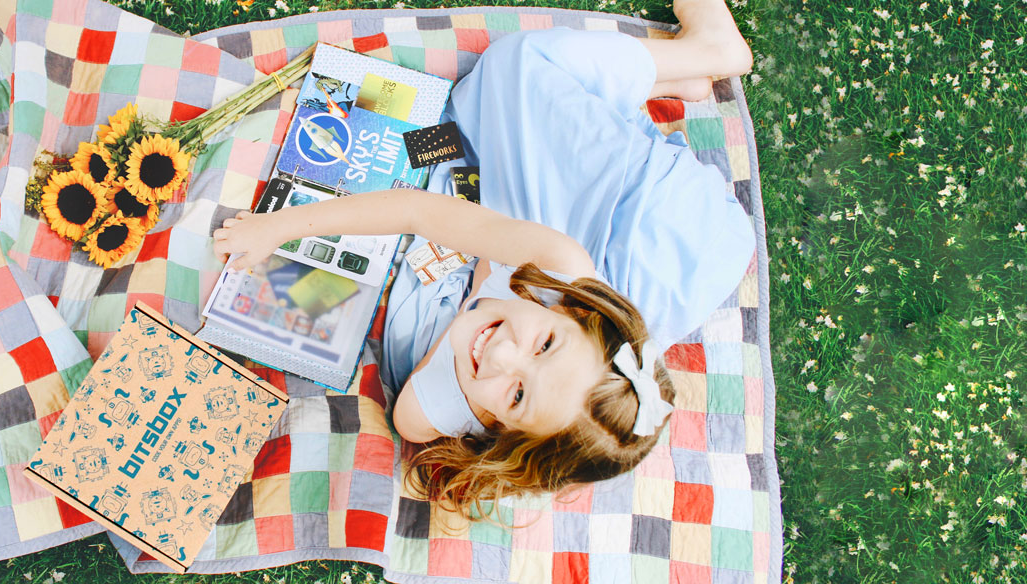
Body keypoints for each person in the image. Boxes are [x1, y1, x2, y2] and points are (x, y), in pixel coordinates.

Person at [212, 0, 755, 517]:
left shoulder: (470, 405)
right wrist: (277, 228)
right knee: (510, 70)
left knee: (481, 129)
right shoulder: (560, 260)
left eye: (516, 394)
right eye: (544, 343)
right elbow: (417, 212)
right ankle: (709, 53)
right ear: (580, 311)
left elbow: (414, 418)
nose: (500, 356)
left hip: (582, 279)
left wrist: (475, 299)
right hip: (671, 220)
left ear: (502, 432)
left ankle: (665, 81)